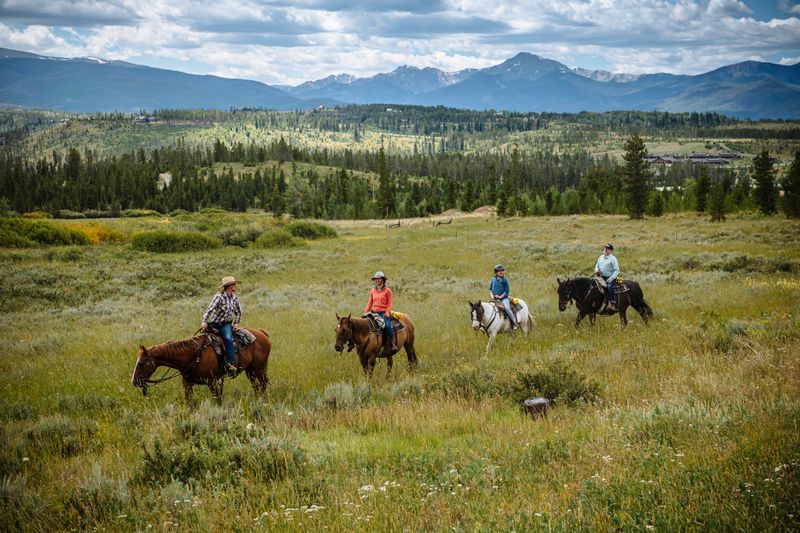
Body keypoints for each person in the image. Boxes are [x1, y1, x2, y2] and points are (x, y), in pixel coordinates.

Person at [201, 276, 242, 376]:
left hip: (226, 325)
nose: (235, 286)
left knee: (228, 339)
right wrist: (204, 322)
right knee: (203, 340)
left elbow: (239, 312)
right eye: (234, 284)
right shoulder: (219, 297)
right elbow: (209, 310)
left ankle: (231, 365)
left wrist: (236, 323)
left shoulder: (234, 298)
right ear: (230, 286)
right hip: (215, 324)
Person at [363, 271, 398, 355]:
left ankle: (392, 343)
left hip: (383, 313)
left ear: (382, 280)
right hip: (373, 312)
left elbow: (389, 303)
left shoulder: (388, 291)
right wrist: (365, 312)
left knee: (387, 325)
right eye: (376, 279)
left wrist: (387, 312)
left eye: (379, 279)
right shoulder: (372, 291)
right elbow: (370, 303)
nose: (377, 280)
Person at [489, 264, 519, 330]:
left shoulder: (505, 280)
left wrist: (500, 297)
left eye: (502, 271)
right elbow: (490, 290)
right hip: (494, 298)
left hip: (504, 298)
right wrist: (492, 297)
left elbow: (506, 291)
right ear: (496, 272)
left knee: (507, 308)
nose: (501, 272)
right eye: (499, 271)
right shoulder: (493, 280)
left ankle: (514, 323)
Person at [594, 243, 620, 311]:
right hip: (600, 276)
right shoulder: (600, 257)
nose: (605, 249)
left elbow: (617, 270)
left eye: (607, 249)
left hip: (610, 277)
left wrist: (611, 278)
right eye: (605, 248)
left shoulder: (613, 259)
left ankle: (612, 303)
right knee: (593, 284)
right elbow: (597, 266)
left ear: (611, 251)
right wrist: (596, 270)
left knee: (609, 287)